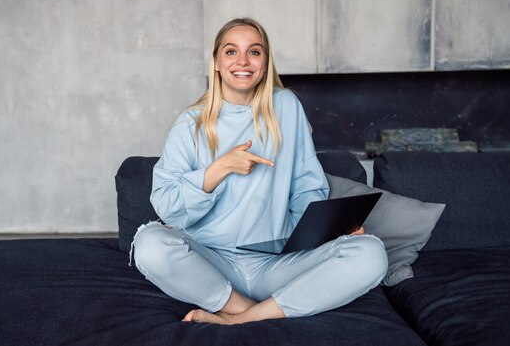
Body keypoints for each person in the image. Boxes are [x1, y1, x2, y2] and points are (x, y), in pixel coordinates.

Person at [131, 17, 387, 325]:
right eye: (231, 52)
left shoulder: (287, 107)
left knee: (371, 252)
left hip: (277, 265)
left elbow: (308, 187)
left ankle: (240, 318)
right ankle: (245, 307)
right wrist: (218, 169)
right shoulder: (190, 124)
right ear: (215, 62)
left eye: (254, 52)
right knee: (149, 245)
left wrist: (330, 231)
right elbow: (169, 209)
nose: (243, 61)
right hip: (212, 264)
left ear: (265, 63)